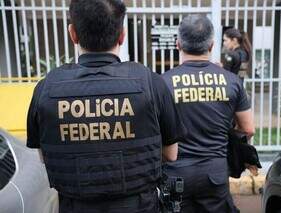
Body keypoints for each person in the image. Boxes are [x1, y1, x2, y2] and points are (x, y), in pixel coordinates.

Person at [26, 0, 185, 212]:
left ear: (73, 34)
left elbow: (46, 157)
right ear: (122, 34)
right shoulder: (152, 83)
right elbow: (171, 154)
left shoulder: (45, 89)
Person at [162, 15, 256, 213]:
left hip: (174, 174)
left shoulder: (162, 82)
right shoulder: (232, 81)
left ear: (178, 44)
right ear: (212, 45)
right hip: (214, 173)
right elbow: (248, 128)